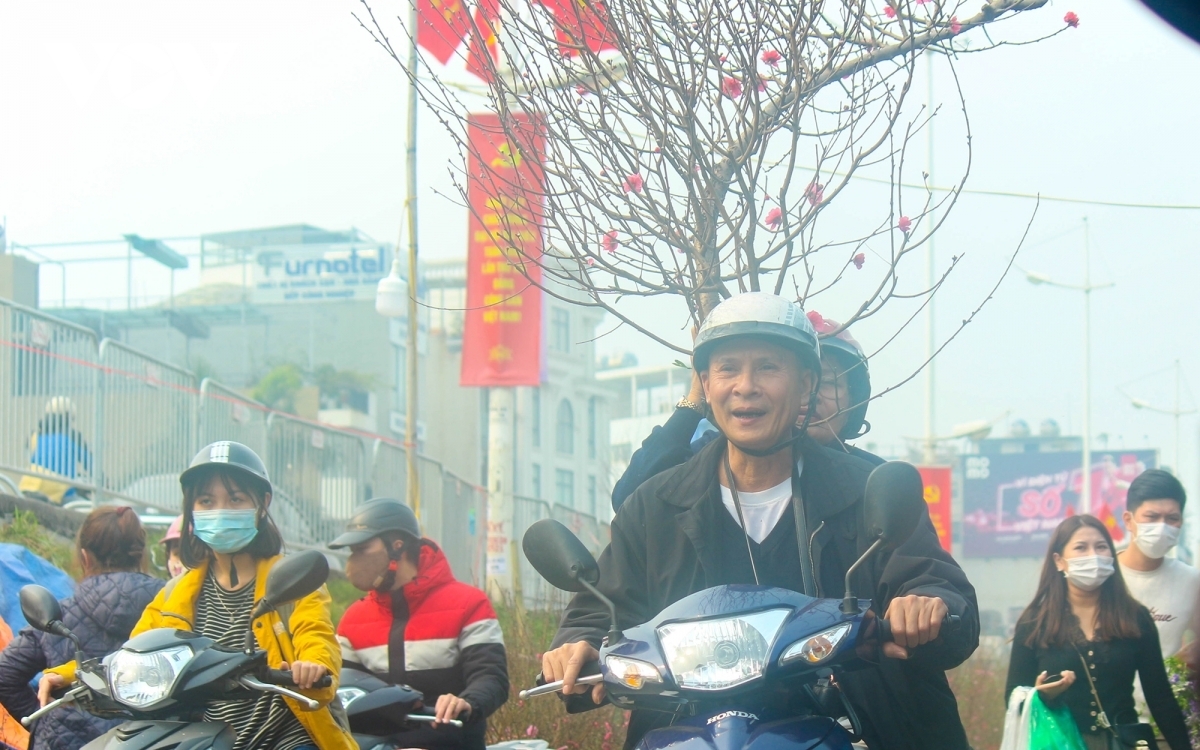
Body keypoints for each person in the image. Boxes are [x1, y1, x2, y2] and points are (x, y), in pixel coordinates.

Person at [544, 292, 980, 750]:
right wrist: (581, 643)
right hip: (688, 728)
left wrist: (927, 604)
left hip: (860, 728)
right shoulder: (656, 504)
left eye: (769, 367)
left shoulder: (867, 490)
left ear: (805, 384)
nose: (746, 386)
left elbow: (934, 582)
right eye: (728, 367)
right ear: (705, 384)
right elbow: (604, 609)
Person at [39, 441, 355, 750]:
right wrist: (67, 675)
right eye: (206, 501)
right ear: (191, 510)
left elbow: (316, 635)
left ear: (262, 505)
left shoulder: (291, 581)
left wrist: (313, 666)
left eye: (235, 499)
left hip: (286, 738)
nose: (220, 511)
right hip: (207, 739)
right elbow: (128, 657)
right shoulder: (176, 592)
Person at [611, 310, 881, 512]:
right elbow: (630, 502)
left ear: (854, 400)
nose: (810, 396)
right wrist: (696, 398)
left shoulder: (875, 483)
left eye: (829, 383)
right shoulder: (709, 463)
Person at [331, 497, 508, 750]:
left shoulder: (469, 603)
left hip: (450, 742)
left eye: (362, 550)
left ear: (397, 546)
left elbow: (491, 676)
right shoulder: (353, 619)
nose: (353, 562)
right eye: (351, 552)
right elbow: (345, 691)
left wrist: (466, 702)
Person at [1004, 514, 1190, 750]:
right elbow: (1012, 697)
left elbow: (1160, 696)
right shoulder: (1035, 622)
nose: (1093, 555)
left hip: (1123, 742)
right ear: (1059, 561)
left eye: (1101, 547)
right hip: (1059, 742)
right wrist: (1043, 696)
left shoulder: (1135, 618)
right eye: (1081, 548)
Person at [0, 506, 164, 750]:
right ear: (140, 556)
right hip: (156, 740)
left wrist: (43, 722)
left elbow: (5, 674)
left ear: (85, 557)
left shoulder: (61, 613)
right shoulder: (173, 609)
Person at [1116, 469, 1200, 658]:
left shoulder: (1192, 581)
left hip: (1167, 687)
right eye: (1152, 517)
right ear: (1129, 521)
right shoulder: (1104, 576)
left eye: (1172, 518)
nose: (1162, 526)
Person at [18, 397, 92, 506]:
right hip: (57, 488)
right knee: (86, 509)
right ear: (68, 416)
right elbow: (90, 464)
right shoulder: (72, 436)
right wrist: (105, 482)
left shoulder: (35, 435)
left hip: (28, 484)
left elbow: (31, 458)